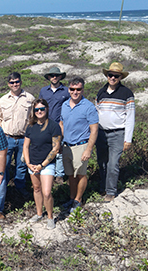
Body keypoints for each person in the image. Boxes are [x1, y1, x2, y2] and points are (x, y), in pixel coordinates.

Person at [95, 62, 135, 202]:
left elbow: (130, 118)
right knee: (102, 162)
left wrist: (128, 139)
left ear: (120, 78)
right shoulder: (101, 92)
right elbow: (96, 113)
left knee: (113, 164)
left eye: (116, 76)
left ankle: (111, 191)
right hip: (100, 133)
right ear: (107, 76)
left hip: (118, 133)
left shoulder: (127, 94)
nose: (112, 78)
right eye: (110, 75)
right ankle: (103, 186)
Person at [59, 77, 99, 213]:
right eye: (72, 89)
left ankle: (78, 200)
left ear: (83, 90)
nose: (75, 92)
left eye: (78, 89)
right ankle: (71, 198)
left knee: (81, 174)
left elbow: (94, 130)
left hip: (81, 145)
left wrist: (88, 149)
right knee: (71, 175)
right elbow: (62, 124)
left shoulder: (88, 107)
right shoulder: (64, 105)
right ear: (68, 89)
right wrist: (59, 142)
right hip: (66, 146)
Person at [23, 99, 62, 230]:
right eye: (36, 109)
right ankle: (39, 213)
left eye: (42, 109)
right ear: (33, 111)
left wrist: (42, 165)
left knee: (46, 192)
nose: (39, 111)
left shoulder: (53, 126)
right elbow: (26, 146)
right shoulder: (30, 126)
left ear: (46, 109)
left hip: (47, 164)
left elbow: (55, 148)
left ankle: (50, 217)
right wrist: (28, 163)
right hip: (32, 164)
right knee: (36, 189)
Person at [0, 72, 34, 198]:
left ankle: (20, 187)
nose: (14, 84)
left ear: (21, 82)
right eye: (12, 82)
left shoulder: (30, 98)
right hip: (7, 138)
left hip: (23, 139)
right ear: (8, 84)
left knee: (21, 165)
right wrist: (1, 133)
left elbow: (33, 117)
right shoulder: (3, 100)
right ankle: (2, 188)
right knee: (4, 164)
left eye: (17, 82)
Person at [39, 67, 70, 184]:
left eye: (56, 75)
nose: (54, 77)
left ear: (61, 76)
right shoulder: (43, 91)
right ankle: (48, 172)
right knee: (46, 148)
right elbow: (40, 106)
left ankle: (59, 175)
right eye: (52, 75)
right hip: (46, 124)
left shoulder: (66, 91)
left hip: (60, 124)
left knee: (59, 149)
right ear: (48, 77)